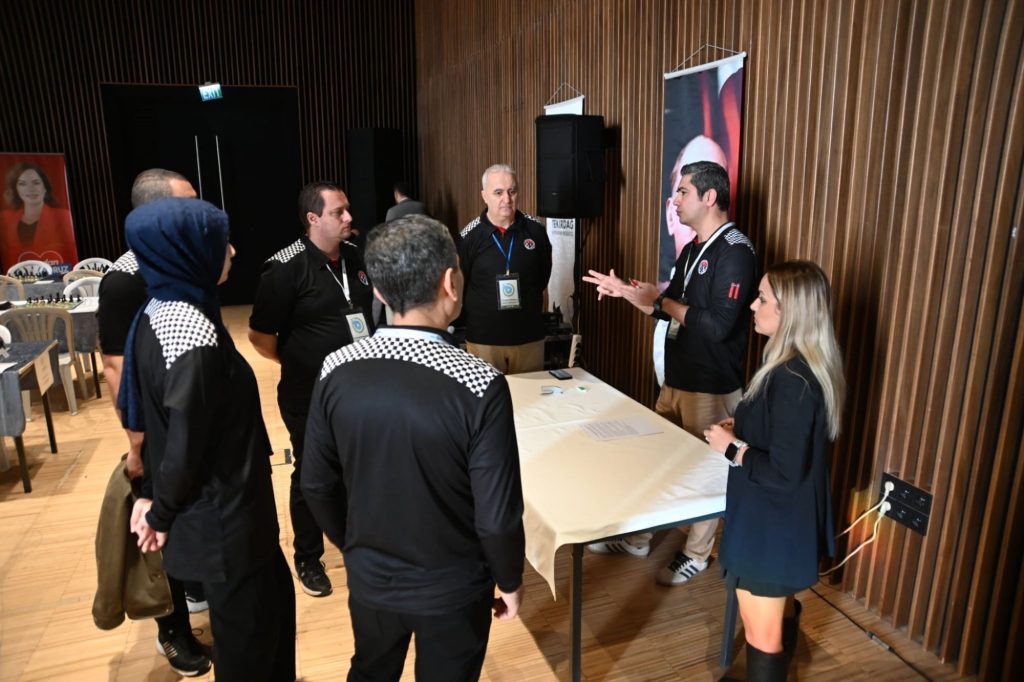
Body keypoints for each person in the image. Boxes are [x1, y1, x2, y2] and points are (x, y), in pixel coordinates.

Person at [301, 215, 526, 682]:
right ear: (450, 283)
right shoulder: (480, 383)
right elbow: (496, 516)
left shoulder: (335, 367)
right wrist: (509, 579)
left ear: (380, 292)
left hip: (370, 577)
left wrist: (354, 546)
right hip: (452, 588)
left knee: (370, 670)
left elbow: (317, 484)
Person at [123, 197, 295, 681]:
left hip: (230, 514)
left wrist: (155, 498)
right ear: (186, 252)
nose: (233, 251)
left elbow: (159, 424)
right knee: (250, 645)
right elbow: (184, 441)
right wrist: (159, 510)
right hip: (225, 521)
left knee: (267, 619)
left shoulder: (161, 308)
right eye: (221, 243)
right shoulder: (191, 334)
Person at [582, 161, 756, 586]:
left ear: (709, 197)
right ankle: (639, 538)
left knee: (705, 472)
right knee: (656, 460)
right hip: (674, 380)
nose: (674, 199)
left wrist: (661, 301)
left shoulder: (735, 251)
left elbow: (717, 326)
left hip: (710, 386)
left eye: (682, 191)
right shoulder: (692, 248)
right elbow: (667, 311)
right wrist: (628, 293)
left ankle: (697, 554)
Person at [95, 168, 211, 676]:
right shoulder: (125, 279)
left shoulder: (184, 264)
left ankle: (196, 585)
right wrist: (137, 445)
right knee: (160, 526)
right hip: (156, 430)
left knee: (189, 509)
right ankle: (172, 629)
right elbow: (115, 367)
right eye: (188, 205)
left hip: (186, 421)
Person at [705, 260, 845, 680]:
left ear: (790, 312)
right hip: (773, 523)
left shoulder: (792, 378)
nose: (752, 305)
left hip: (770, 530)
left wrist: (732, 448)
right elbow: (787, 436)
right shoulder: (794, 367)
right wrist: (744, 427)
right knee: (773, 620)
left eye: (762, 299)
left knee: (762, 639)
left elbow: (784, 472)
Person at [248, 181, 376, 598]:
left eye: (347, 209)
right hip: (309, 394)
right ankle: (307, 557)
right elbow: (259, 336)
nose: (349, 217)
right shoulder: (284, 268)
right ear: (313, 218)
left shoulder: (356, 256)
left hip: (358, 390)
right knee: (312, 473)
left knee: (356, 469)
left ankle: (358, 542)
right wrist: (298, 362)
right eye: (339, 212)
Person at [458, 164, 552, 374]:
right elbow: (461, 282)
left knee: (530, 395)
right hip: (484, 339)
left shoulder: (536, 231)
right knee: (488, 395)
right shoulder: (469, 237)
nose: (507, 199)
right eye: (498, 192)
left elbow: (543, 277)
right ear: (484, 196)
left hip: (528, 338)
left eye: (512, 191)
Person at [1, 161, 78, 269]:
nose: (30, 189)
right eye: (22, 184)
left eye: (36, 183)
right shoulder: (5, 219)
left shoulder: (63, 217)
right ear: (16, 189)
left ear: (45, 187)